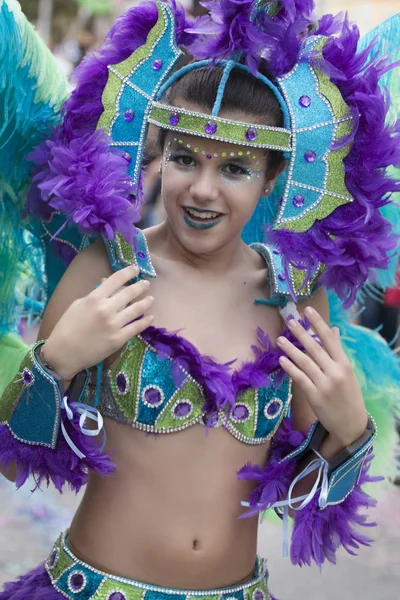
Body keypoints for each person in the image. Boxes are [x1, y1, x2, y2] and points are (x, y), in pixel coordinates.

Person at [0, 1, 399, 599]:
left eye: (236, 168)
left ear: (272, 179)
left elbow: (303, 501)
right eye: (185, 158)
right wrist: (54, 363)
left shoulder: (294, 297)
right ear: (158, 158)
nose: (202, 190)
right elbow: (15, 457)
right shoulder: (107, 270)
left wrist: (350, 432)